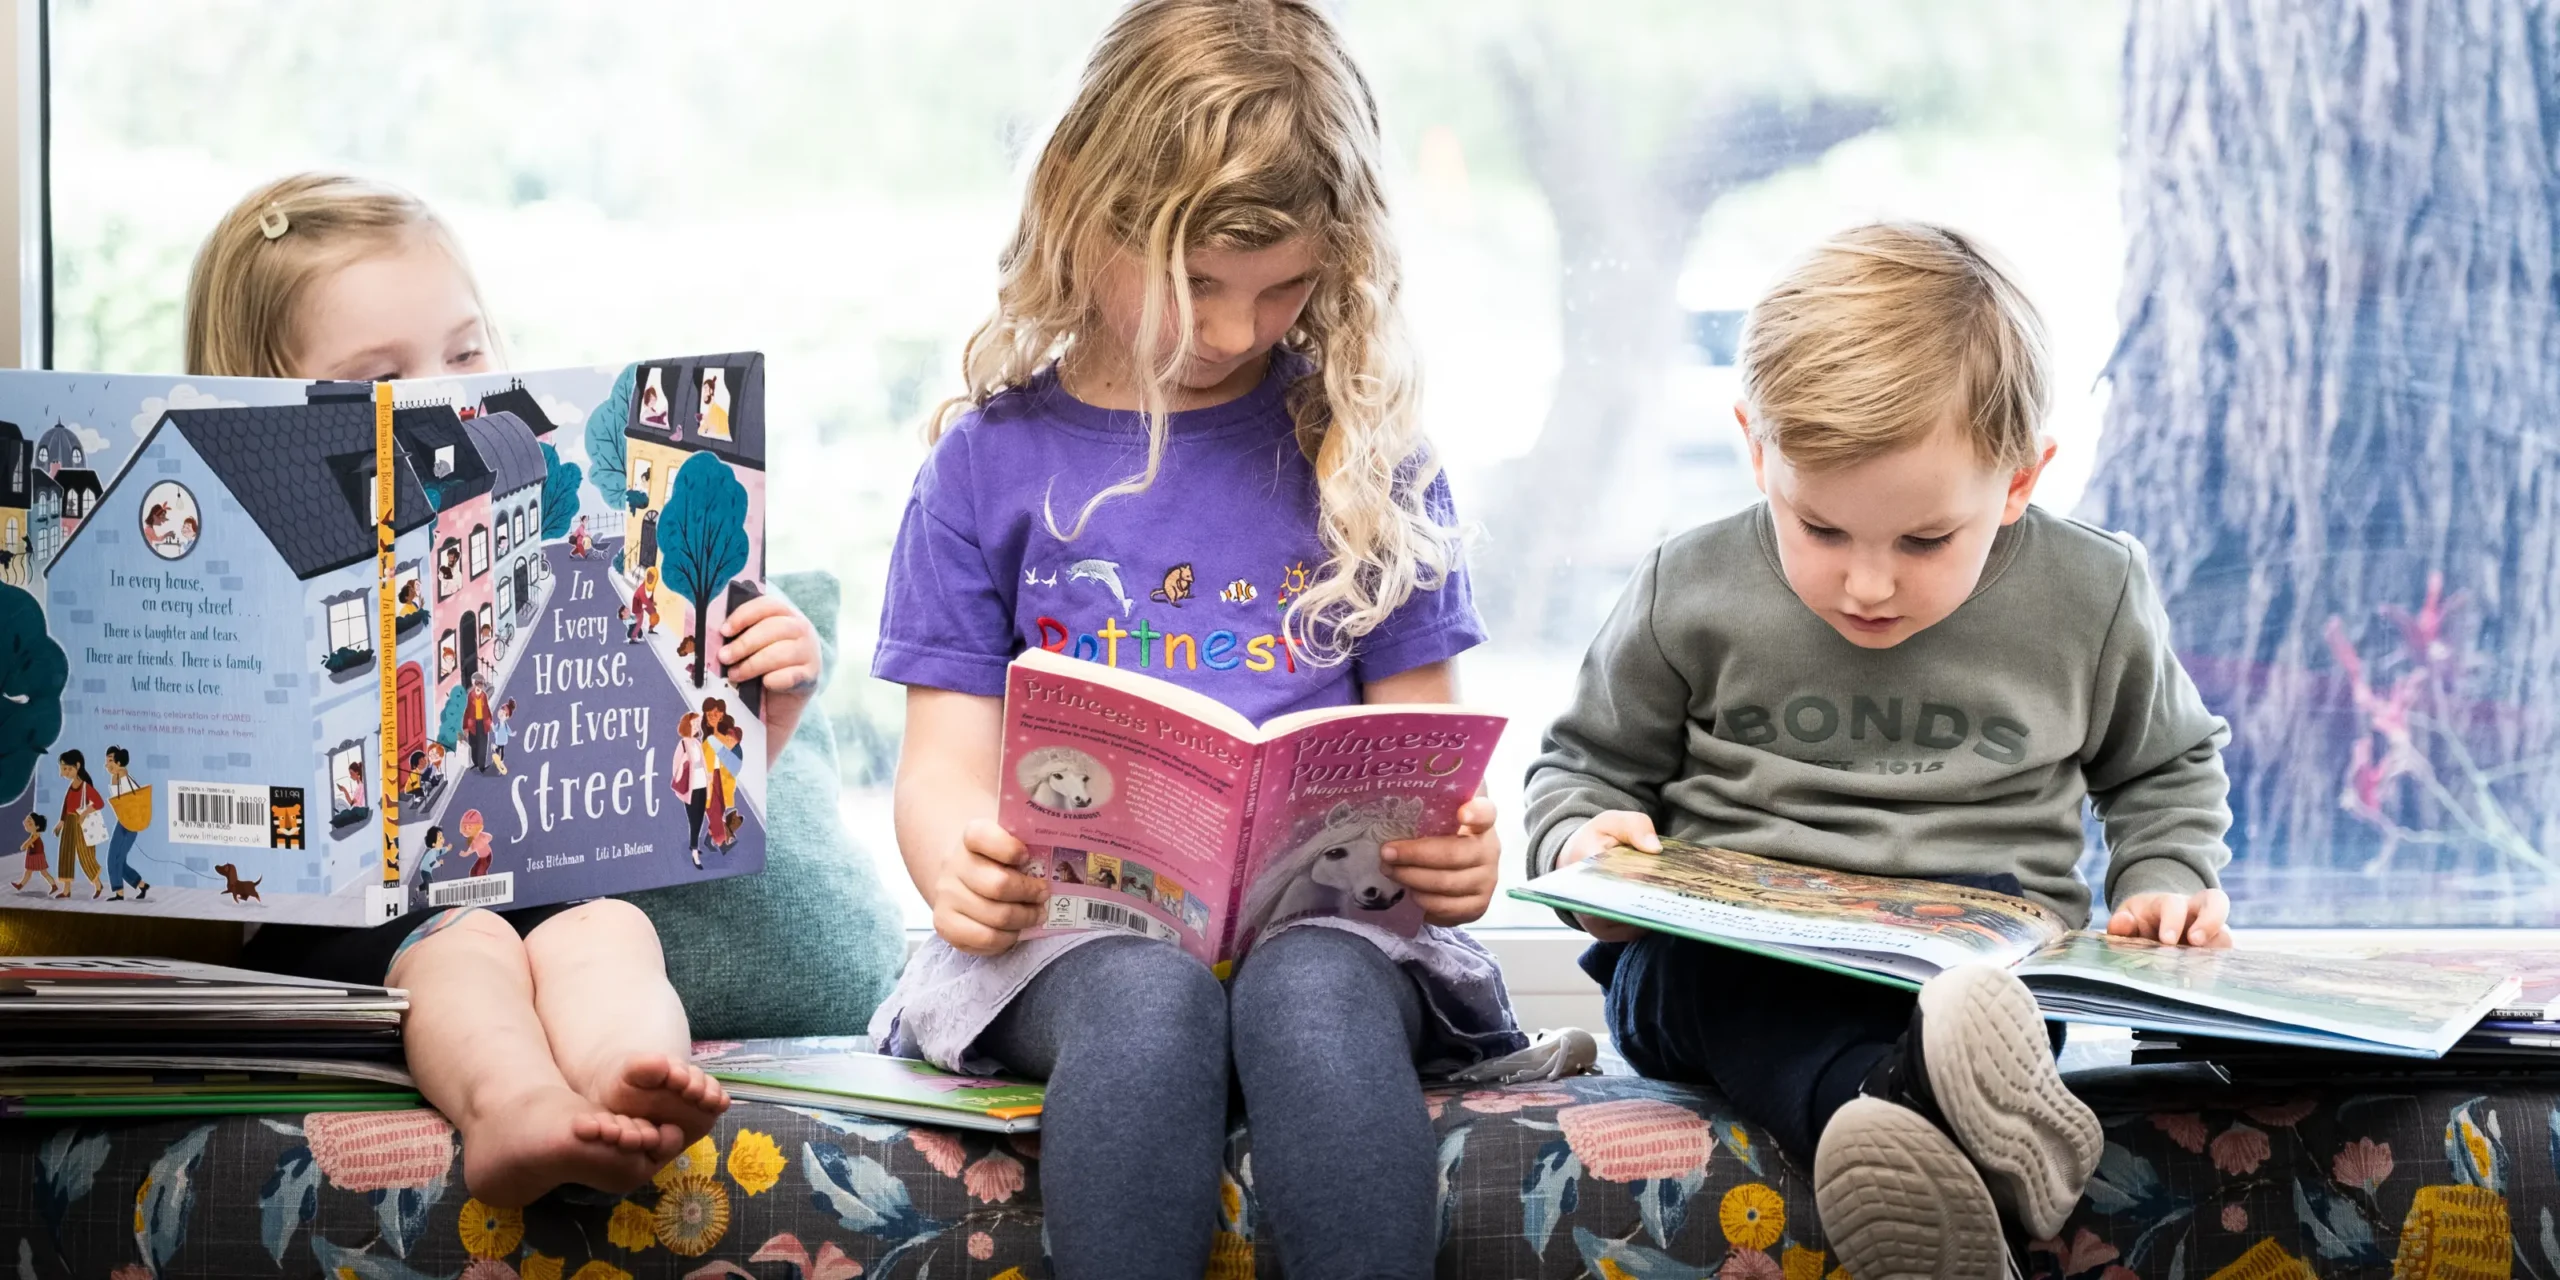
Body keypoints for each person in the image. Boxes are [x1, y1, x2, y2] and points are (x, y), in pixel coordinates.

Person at [869, 6, 1522, 1274]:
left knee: (1311, 992)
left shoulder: (1367, 458)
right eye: (1196, 286)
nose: (1236, 328)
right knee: (1147, 994)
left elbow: (1430, 751)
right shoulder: (986, 466)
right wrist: (957, 863)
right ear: (1083, 216)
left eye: (1284, 289)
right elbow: (941, 761)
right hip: (1070, 938)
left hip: (1329, 937)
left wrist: (1459, 850)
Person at [1524, 223, 2236, 1278]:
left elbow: (2162, 765)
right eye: (1818, 529)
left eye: (1921, 541)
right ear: (1755, 448)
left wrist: (2165, 877)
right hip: (1726, 961)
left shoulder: (2089, 594)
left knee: (1980, 1003)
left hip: (1971, 977)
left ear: (2019, 478)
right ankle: (1896, 1115)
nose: (1866, 583)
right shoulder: (1691, 584)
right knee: (1713, 976)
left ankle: (1929, 1117)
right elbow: (1578, 766)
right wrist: (1587, 842)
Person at [195, 172, 824, 1209]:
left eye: (464, 349)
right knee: (468, 946)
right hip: (358, 922)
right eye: (381, 376)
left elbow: (659, 794)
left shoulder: (536, 510)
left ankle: (630, 1074)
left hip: (544, 870)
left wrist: (760, 706)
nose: (445, 385)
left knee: (612, 929)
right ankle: (511, 1106)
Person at [52, 750, 105, 900]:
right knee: (65, 855)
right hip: (68, 822)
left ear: (78, 766)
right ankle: (66, 890)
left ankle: (98, 884)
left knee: (85, 856)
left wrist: (84, 813)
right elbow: (66, 805)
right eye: (63, 768)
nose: (65, 772)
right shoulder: (71, 786)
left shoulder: (86, 787)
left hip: (82, 824)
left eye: (68, 768)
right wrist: (61, 822)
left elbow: (99, 803)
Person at [102, 745, 152, 902]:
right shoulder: (118, 777)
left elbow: (124, 800)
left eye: (110, 760)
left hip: (129, 824)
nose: (106, 765)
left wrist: (117, 773)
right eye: (106, 760)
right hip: (124, 822)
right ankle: (141, 884)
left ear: (118, 762)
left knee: (114, 859)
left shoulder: (122, 777)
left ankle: (119, 892)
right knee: (118, 860)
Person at [670, 712, 706, 868]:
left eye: (698, 723)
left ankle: (694, 844)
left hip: (702, 784)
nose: (697, 725)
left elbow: (702, 764)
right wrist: (685, 761)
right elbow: (675, 769)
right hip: (690, 788)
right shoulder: (683, 744)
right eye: (695, 723)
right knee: (694, 820)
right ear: (687, 724)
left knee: (700, 817)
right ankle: (695, 852)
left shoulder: (697, 743)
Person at [11, 812, 54, 896]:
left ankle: (54, 885)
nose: (26, 824)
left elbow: (27, 844)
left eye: (30, 823)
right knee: (29, 872)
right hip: (32, 855)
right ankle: (20, 885)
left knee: (43, 872)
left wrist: (24, 846)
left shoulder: (35, 835)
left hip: (37, 856)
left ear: (37, 827)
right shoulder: (33, 835)